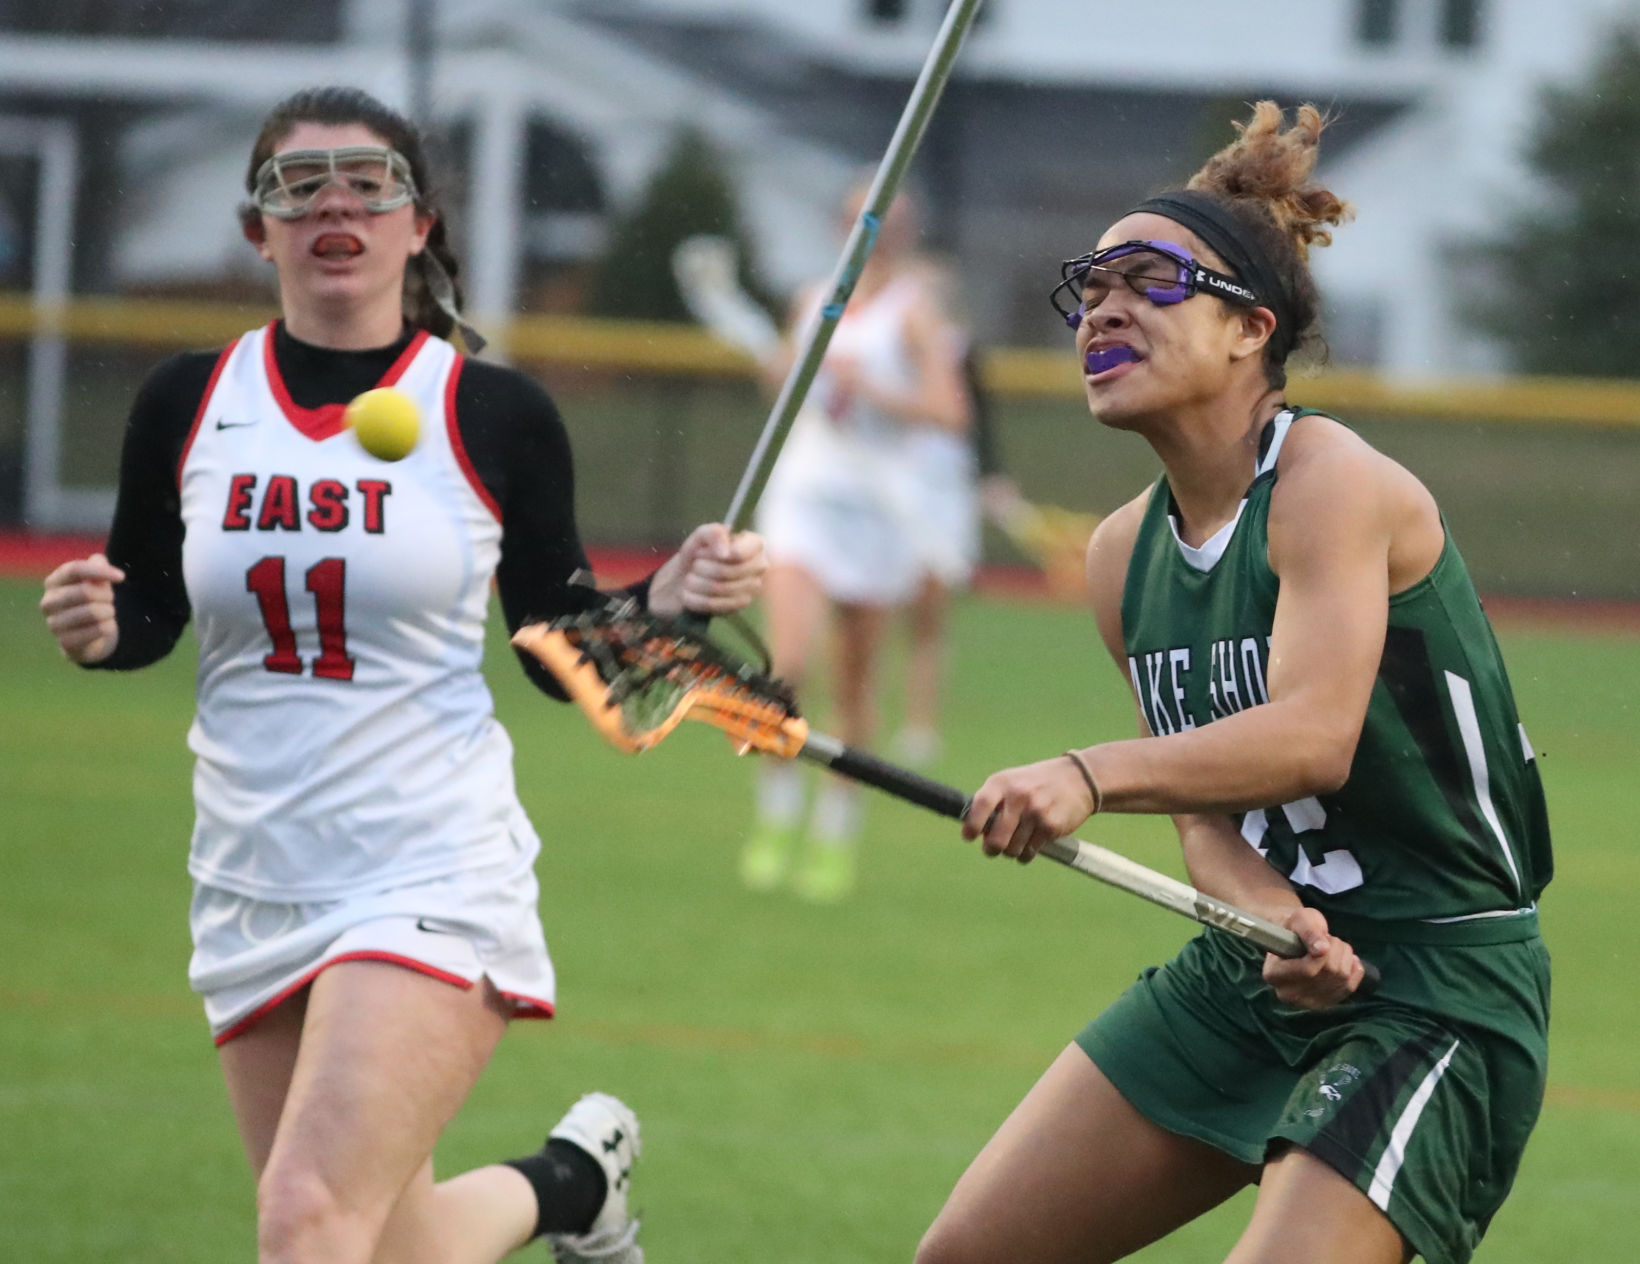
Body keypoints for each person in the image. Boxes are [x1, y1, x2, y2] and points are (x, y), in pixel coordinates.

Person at [38, 86, 765, 1264]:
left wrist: (663, 601)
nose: (335, 203)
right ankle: (573, 1184)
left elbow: (553, 643)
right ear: (255, 229)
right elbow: (151, 609)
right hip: (251, 871)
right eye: (298, 183)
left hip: (428, 862)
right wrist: (97, 626)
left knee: (306, 1223)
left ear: (418, 223)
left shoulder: (492, 411)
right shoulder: (188, 400)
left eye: (369, 182)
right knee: (394, 1243)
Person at [917, 102, 1551, 1264]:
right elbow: (1205, 810)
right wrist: (1255, 906)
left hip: (1436, 984)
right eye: (1089, 288)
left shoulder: (1328, 481)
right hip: (1250, 972)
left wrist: (1082, 773)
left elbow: (1311, 736)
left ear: (1247, 329)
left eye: (1148, 280)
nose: (1102, 308)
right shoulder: (1118, 558)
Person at [741, 184, 973, 902]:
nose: (870, 233)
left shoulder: (914, 315)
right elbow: (782, 389)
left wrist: (870, 389)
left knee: (852, 683)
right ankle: (775, 817)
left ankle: (835, 832)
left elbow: (948, 411)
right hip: (806, 496)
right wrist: (783, 372)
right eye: (858, 220)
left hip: (877, 512)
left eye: (886, 223)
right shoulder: (813, 301)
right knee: (786, 665)